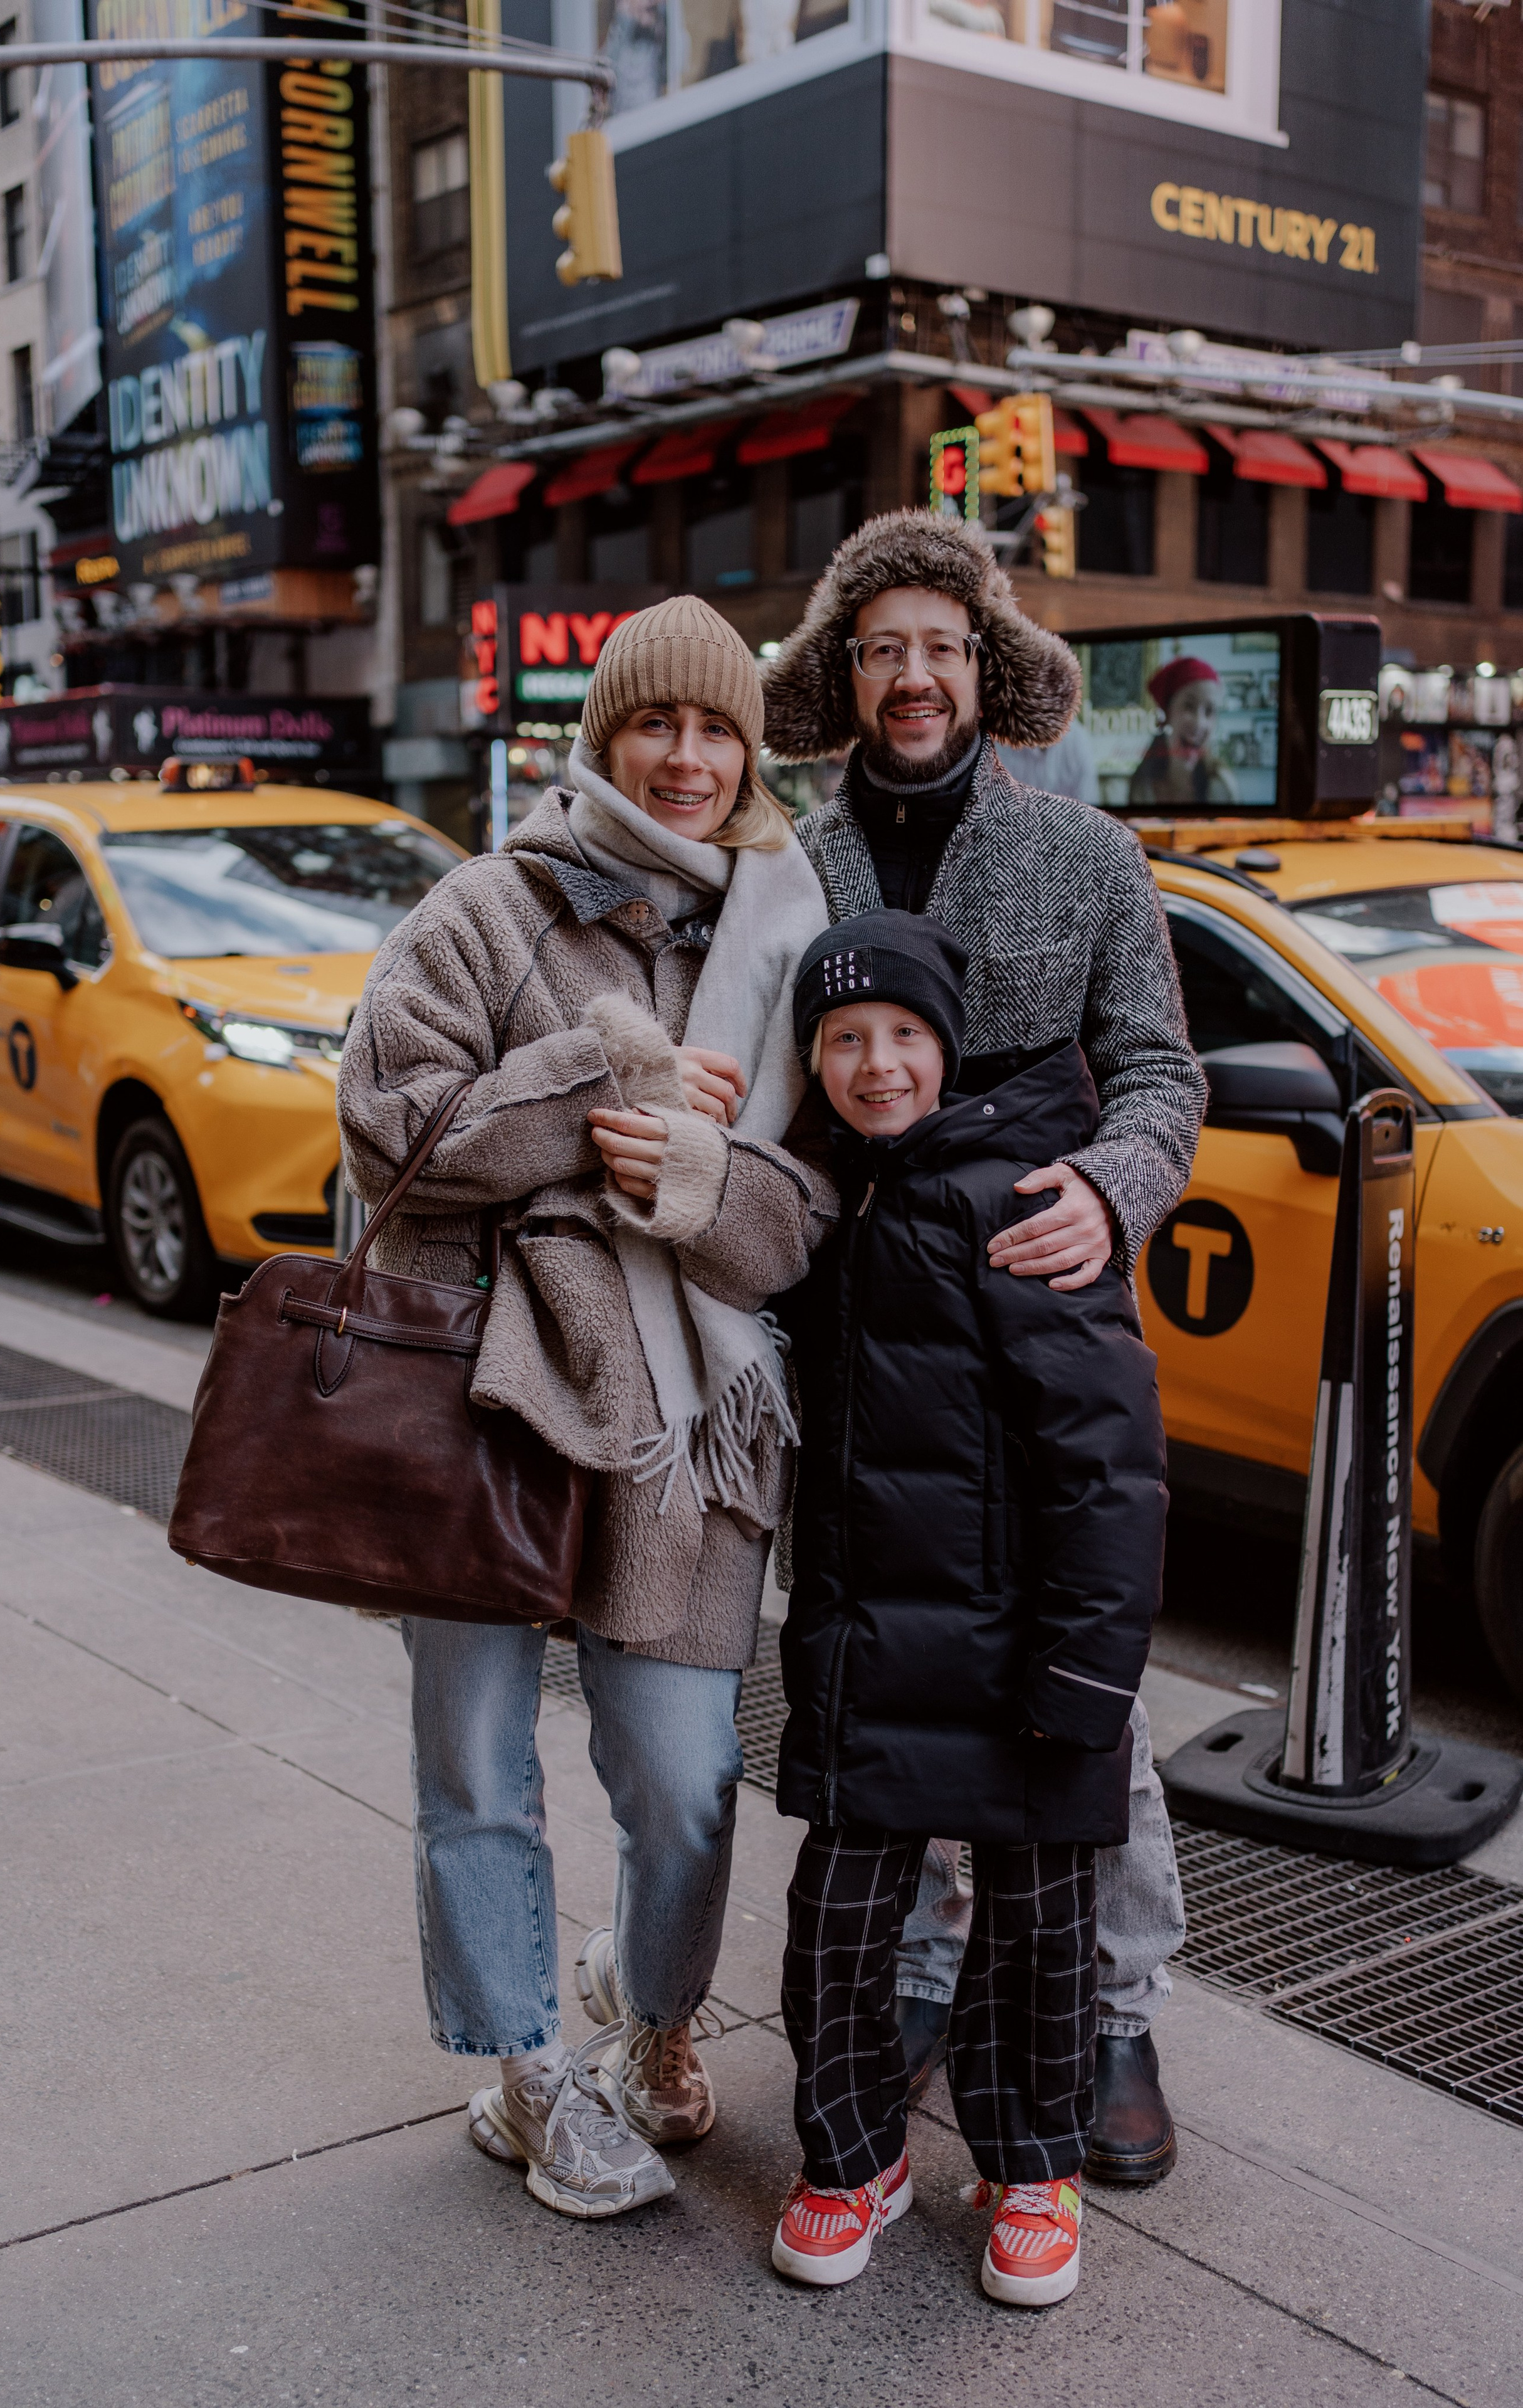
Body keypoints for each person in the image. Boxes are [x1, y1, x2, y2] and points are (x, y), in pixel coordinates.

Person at [336, 595, 836, 2220]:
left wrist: (702, 1177)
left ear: (748, 751)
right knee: (479, 1764)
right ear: (603, 734)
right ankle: (525, 2067)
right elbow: (387, 1124)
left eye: (715, 730)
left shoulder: (779, 940)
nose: (686, 758)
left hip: (689, 1423)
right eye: (656, 723)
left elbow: (803, 1212)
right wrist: (598, 1076)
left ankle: (655, 2015)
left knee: (688, 1778)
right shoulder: (484, 907)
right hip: (479, 1398)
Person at [762, 510, 1204, 2186]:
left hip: (1038, 1302)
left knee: (1084, 1689)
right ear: (847, 674)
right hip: (864, 1324)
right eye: (885, 647)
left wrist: (1112, 1185)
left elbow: (1161, 1072)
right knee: (896, 1667)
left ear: (988, 668)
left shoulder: (1088, 853)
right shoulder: (790, 861)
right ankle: (947, 1975)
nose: (917, 674)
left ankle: (1112, 2001)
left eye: (944, 644)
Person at [770, 912, 1167, 2303]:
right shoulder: (829, 1204)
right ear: (811, 1063)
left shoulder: (1023, 1203)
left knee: (1037, 1934)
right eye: (841, 1042)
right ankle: (849, 2155)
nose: (874, 1065)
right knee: (833, 1922)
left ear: (946, 1048)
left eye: (900, 1037)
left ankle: (1030, 2161)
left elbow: (1108, 1466)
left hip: (1024, 1657)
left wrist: (1088, 1676)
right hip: (869, 1651)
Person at [1127, 657, 1237, 810]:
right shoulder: (1143, 784)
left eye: (1209, 711)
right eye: (1189, 706)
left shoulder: (1222, 785)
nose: (1199, 723)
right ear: (1168, 712)